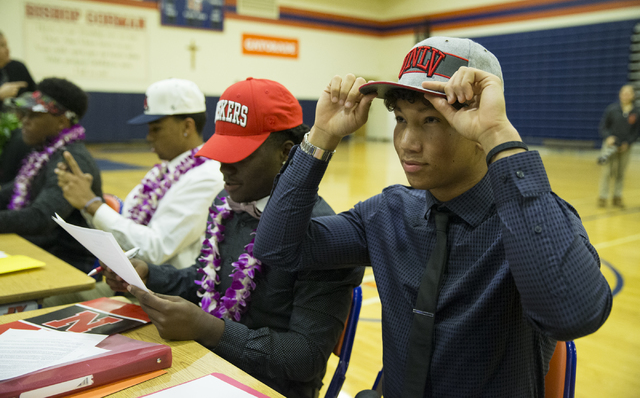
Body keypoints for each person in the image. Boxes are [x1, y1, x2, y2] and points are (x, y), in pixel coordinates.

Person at [253, 37, 613, 397]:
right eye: (400, 119)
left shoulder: (531, 223)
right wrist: (322, 136)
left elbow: (573, 314)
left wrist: (497, 135)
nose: (408, 141)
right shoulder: (388, 213)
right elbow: (276, 248)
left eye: (431, 120)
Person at [103, 78, 364, 398]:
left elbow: (304, 359)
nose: (224, 168)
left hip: (272, 388)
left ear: (286, 153)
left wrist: (208, 329)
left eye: (239, 156)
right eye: (222, 153)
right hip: (208, 365)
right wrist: (148, 273)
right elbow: (205, 283)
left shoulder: (323, 232)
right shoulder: (228, 205)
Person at [56, 78, 224, 269]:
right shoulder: (162, 171)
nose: (148, 137)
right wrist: (86, 203)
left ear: (187, 126)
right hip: (135, 284)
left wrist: (92, 204)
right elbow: (127, 223)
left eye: (156, 129)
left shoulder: (208, 177)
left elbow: (155, 249)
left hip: (166, 295)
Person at [0, 78, 102, 272]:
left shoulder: (71, 160)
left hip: (67, 267)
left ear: (62, 122)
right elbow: (11, 192)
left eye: (34, 114)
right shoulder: (45, 154)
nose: (24, 120)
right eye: (24, 113)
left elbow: (41, 218)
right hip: (39, 253)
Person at [0, 31, 37, 185]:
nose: (7, 49)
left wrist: (23, 106)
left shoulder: (17, 67)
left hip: (15, 130)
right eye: (1, 46)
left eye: (6, 45)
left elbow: (37, 96)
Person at [597, 84, 638, 208]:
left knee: (620, 173)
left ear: (633, 95)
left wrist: (628, 143)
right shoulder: (612, 109)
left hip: (626, 147)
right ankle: (602, 197)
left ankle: (617, 197)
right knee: (607, 172)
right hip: (610, 146)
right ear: (620, 94)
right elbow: (603, 127)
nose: (625, 95)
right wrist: (608, 137)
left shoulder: (636, 112)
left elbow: (636, 132)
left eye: (628, 93)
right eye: (623, 92)